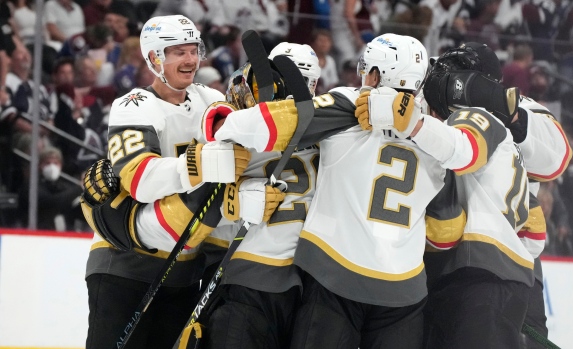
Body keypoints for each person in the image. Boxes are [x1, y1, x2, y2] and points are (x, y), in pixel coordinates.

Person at [205, 33, 464, 349]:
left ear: (375, 74)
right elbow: (446, 232)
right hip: (405, 290)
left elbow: (276, 125)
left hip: (336, 277)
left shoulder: (351, 103)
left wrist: (223, 124)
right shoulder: (434, 133)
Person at [81, 15, 284, 349]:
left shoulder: (210, 98)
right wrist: (198, 162)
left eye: (194, 50)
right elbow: (140, 180)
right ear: (153, 58)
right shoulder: (133, 107)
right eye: (178, 52)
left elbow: (238, 156)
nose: (190, 60)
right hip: (124, 264)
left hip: (183, 272)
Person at [357, 41, 535, 348]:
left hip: (479, 278)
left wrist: (412, 122)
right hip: (493, 281)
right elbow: (536, 239)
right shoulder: (509, 148)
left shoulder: (478, 117)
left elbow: (466, 152)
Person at [417, 42, 571, 348]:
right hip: (439, 252)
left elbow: (558, 156)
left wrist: (501, 108)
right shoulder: (432, 106)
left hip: (500, 250)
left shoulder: (518, 107)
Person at [182, 42, 321, 349]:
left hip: (245, 275)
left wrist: (234, 198)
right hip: (308, 285)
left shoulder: (245, 125)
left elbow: (202, 185)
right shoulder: (329, 131)